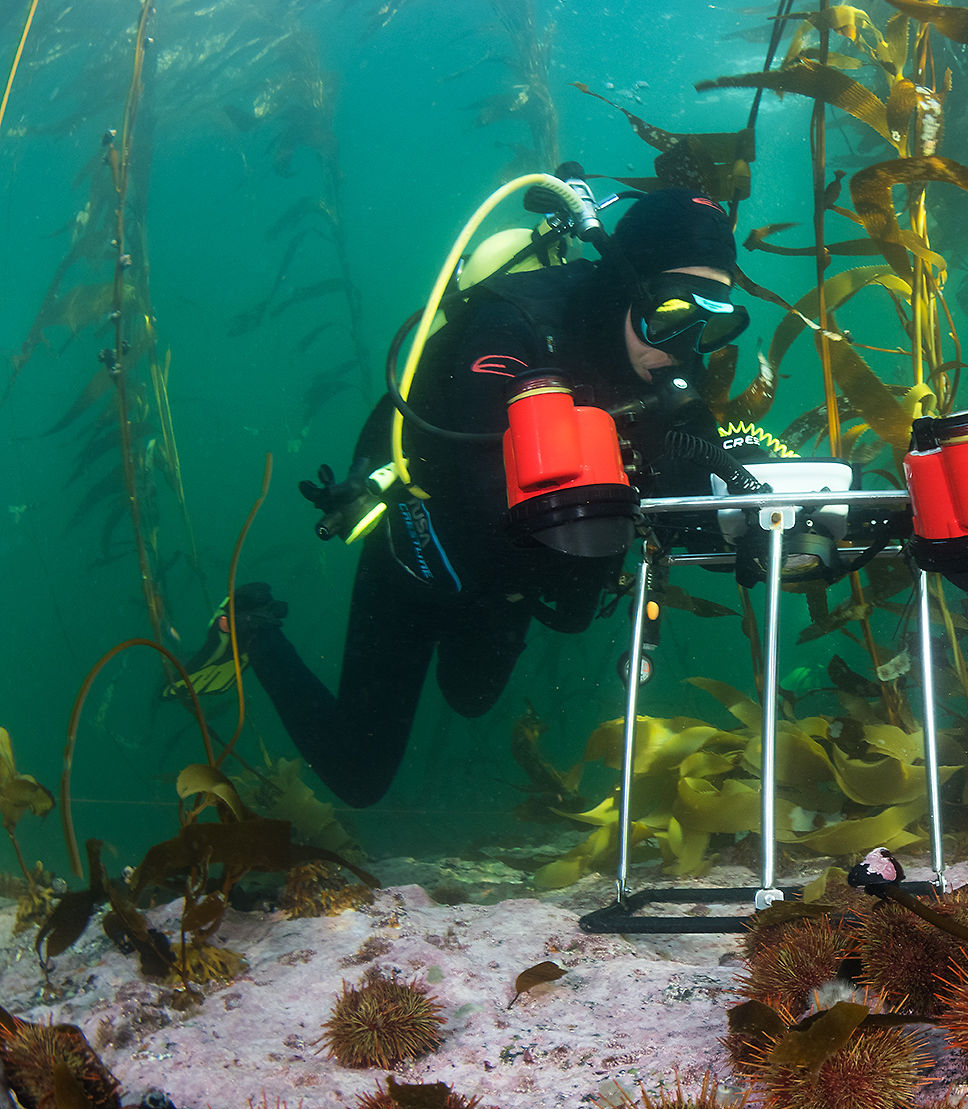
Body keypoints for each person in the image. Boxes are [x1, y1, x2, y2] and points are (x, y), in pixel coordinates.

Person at [184, 188, 756, 807]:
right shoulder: (512, 326)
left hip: (513, 580)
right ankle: (252, 630)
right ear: (626, 285)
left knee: (472, 695)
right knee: (360, 774)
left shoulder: (659, 357)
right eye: (669, 312)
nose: (683, 344)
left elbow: (691, 477)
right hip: (425, 556)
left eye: (712, 320)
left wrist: (747, 504)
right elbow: (494, 497)